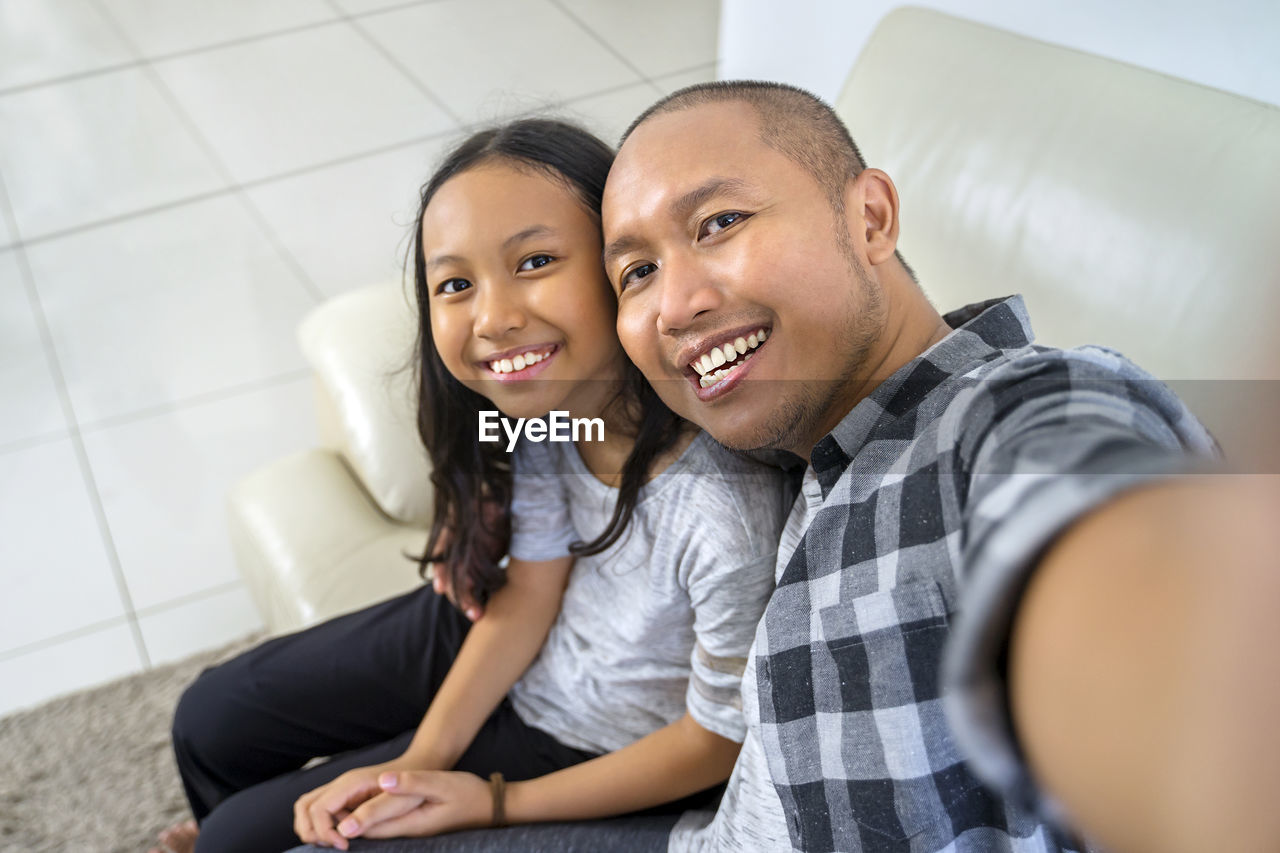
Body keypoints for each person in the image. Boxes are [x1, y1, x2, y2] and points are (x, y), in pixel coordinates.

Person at [589, 80, 1280, 853]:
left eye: (720, 222)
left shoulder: (1005, 412)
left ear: (870, 218)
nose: (674, 305)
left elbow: (1100, 547)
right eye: (637, 273)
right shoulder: (805, 440)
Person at [152, 118, 792, 853]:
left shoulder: (724, 512)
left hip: (587, 744)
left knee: (239, 836)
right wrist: (414, 765)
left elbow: (716, 742)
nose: (494, 318)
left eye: (536, 261)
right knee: (211, 713)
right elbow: (531, 589)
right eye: (456, 283)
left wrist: (488, 799)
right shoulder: (549, 415)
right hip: (527, 646)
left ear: (624, 263)